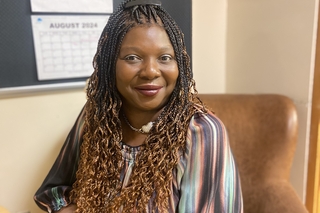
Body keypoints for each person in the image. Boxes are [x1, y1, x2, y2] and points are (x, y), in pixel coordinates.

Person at [34, 0, 243, 212]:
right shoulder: (97, 114)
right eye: (132, 58)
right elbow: (53, 191)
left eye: (165, 57)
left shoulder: (201, 132)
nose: (150, 71)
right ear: (109, 65)